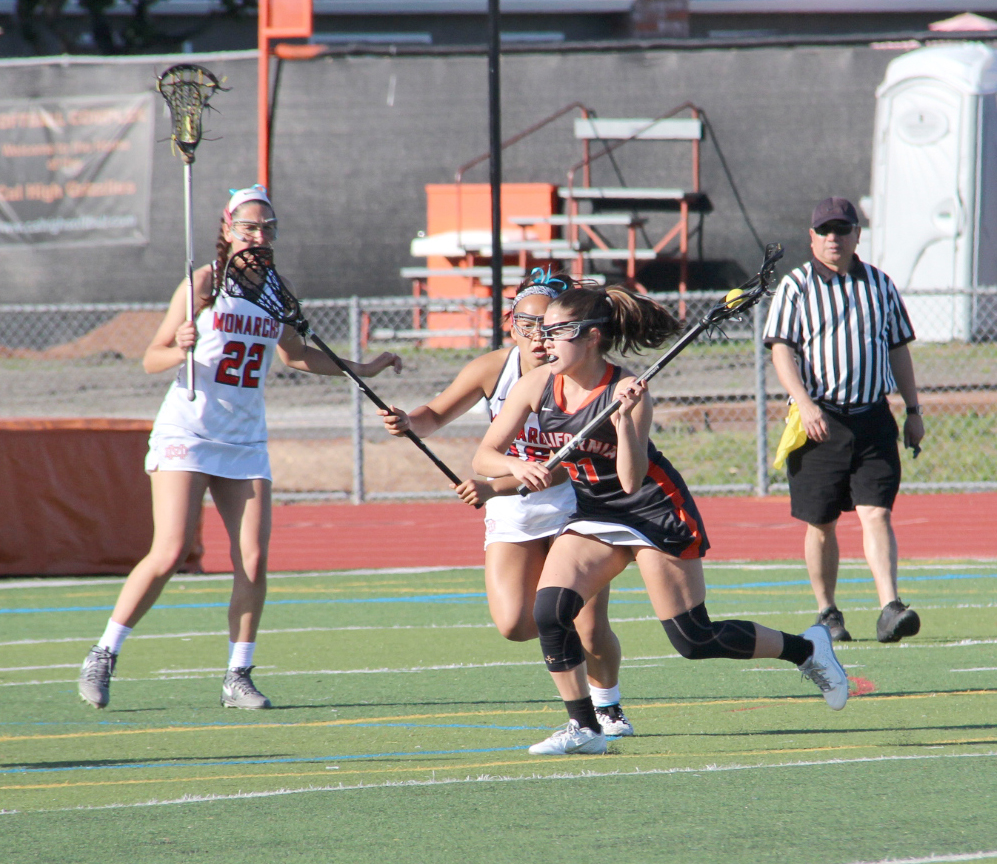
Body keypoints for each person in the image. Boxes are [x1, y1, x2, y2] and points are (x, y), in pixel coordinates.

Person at [473, 284, 849, 756]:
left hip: (653, 510)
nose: (545, 341)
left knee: (693, 639)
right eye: (543, 331)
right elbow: (485, 455)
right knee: (551, 612)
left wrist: (625, 420)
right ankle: (585, 729)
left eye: (556, 332)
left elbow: (630, 481)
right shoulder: (537, 384)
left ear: (591, 337)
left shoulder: (624, 389)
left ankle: (806, 649)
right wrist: (515, 467)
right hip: (593, 512)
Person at [77, 185, 401, 710]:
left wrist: (359, 368)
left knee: (252, 559)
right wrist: (176, 345)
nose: (259, 235)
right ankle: (104, 653)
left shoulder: (276, 288)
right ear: (228, 228)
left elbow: (296, 356)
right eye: (249, 226)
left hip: (245, 438)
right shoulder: (201, 282)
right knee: (170, 550)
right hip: (188, 430)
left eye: (267, 228)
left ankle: (238, 674)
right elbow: (151, 358)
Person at [378, 271, 633, 737]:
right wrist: (406, 421)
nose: (539, 337)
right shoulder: (493, 369)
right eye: (528, 324)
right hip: (514, 505)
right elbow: (434, 415)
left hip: (574, 502)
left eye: (550, 326)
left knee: (591, 625)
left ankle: (607, 706)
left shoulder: (581, 373)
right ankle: (563, 641)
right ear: (510, 324)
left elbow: (580, 461)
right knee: (515, 623)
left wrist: (508, 479)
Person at [763, 197, 925, 644]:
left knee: (877, 513)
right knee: (821, 520)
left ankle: (890, 607)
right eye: (825, 231)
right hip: (820, 419)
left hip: (872, 416)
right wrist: (805, 403)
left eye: (842, 230)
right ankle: (827, 611)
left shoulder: (879, 284)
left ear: (857, 235)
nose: (834, 238)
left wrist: (913, 410)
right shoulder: (796, 285)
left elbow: (898, 349)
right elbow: (782, 349)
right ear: (812, 237)